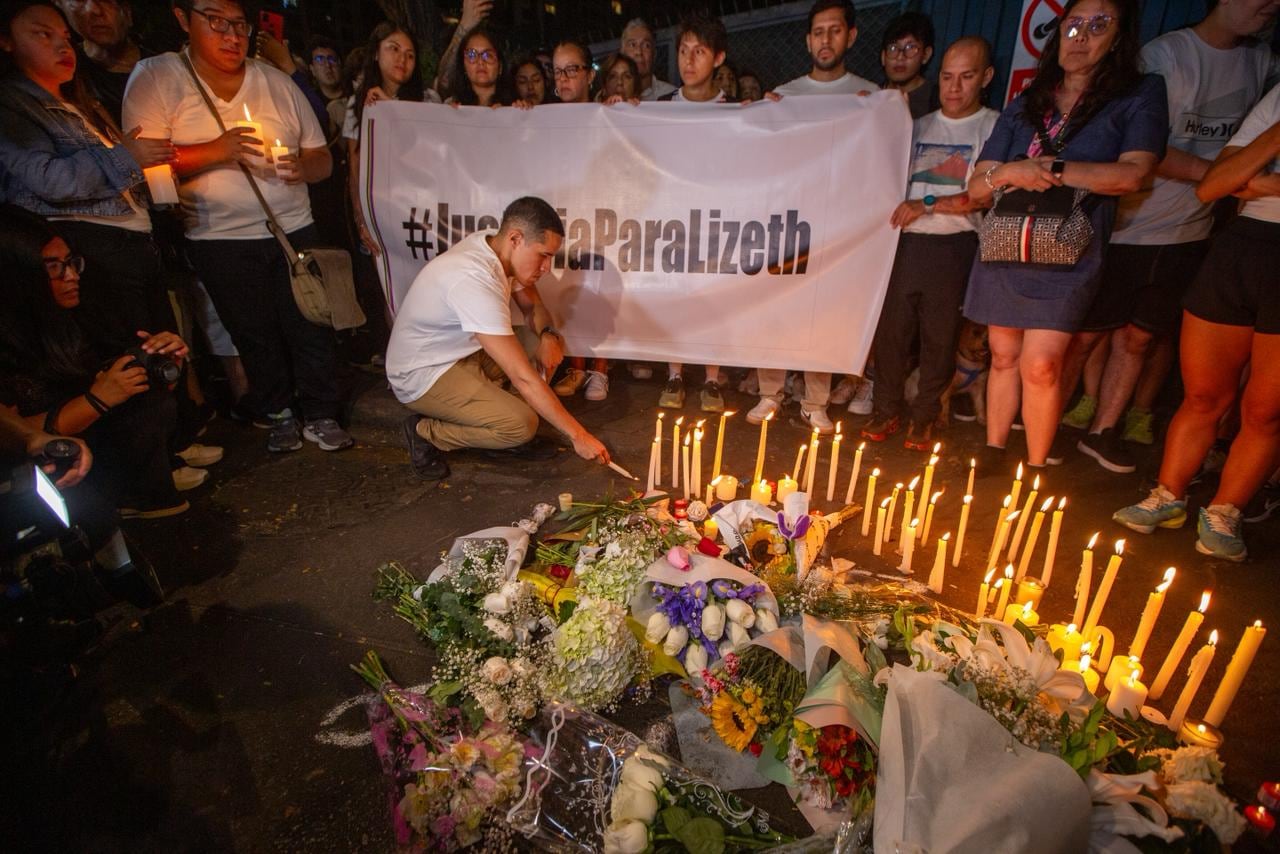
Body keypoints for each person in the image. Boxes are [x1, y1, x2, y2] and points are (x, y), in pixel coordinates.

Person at [123, 0, 351, 454]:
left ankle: (322, 413)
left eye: (239, 25)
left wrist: (301, 166)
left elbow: (322, 157)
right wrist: (216, 151)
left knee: (311, 323)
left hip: (291, 229)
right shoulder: (158, 77)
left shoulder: (277, 83)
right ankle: (278, 412)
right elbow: (137, 161)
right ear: (183, 18)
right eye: (216, 22)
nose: (231, 36)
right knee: (253, 331)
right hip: (219, 238)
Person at [1063, 0, 1280, 474]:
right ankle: (1043, 426)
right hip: (1128, 226)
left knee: (1141, 337)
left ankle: (1103, 431)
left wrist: (1229, 182)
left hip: (1191, 229)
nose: (1271, 5)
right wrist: (1225, 177)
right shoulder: (1165, 57)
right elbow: (1141, 147)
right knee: (1084, 336)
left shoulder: (1262, 62)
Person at [963, 0, 1166, 470]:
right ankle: (993, 450)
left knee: (1043, 362)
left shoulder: (1138, 95)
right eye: (1073, 25)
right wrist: (1013, 171)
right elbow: (978, 186)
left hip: (1068, 249)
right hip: (1008, 243)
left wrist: (1054, 168)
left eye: (1099, 25)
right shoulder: (1025, 104)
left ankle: (1035, 466)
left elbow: (1133, 174)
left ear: (1120, 37)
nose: (1082, 36)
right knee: (1003, 352)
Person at [1113, 84, 1280, 561]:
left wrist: (1259, 182)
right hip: (1242, 247)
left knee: (1266, 409)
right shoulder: (1276, 98)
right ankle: (1168, 496)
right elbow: (1214, 185)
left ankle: (1226, 510)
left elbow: (1238, 181)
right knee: (1204, 394)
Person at [386, 197, 610, 481]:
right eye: (542, 255)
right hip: (424, 372)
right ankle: (427, 433)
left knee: (539, 341)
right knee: (521, 425)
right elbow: (523, 377)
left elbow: (534, 308)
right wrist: (579, 435)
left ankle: (502, 428)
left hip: (461, 352)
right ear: (516, 238)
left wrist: (548, 335)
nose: (546, 268)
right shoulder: (473, 277)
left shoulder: (496, 248)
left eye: (551, 258)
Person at [0, 205, 195, 518]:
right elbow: (11, 434)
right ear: (17, 276)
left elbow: (133, 382)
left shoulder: (79, 313)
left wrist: (164, 362)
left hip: (96, 449)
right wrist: (98, 399)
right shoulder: (9, 341)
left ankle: (143, 492)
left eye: (71, 263)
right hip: (39, 476)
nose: (71, 276)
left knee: (149, 404)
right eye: (54, 268)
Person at [862, 38, 998, 450]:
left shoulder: (992, 126)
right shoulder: (918, 126)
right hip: (904, 245)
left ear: (986, 78)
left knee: (939, 336)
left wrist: (924, 204)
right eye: (947, 77)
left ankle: (925, 418)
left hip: (954, 245)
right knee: (892, 333)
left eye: (967, 77)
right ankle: (886, 410)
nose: (954, 88)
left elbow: (985, 195)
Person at [656, 11, 731, 414]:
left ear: (718, 58)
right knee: (676, 298)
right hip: (672, 222)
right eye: (683, 51)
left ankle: (713, 379)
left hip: (718, 224)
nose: (688, 61)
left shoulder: (736, 110)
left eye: (699, 52)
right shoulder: (660, 108)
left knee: (712, 299)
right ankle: (674, 372)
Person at [345, 22, 431, 258]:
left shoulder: (428, 100)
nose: (402, 59)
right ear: (375, 52)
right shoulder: (359, 103)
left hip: (420, 207)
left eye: (410, 54)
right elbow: (356, 166)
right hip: (380, 209)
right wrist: (361, 220)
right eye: (394, 49)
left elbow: (428, 152)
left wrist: (389, 107)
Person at [54, 0, 149, 125]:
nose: (95, 10)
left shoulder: (167, 60)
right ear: (60, 6)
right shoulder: (63, 78)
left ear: (127, 11)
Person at [773, 0, 877, 97]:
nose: (826, 40)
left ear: (850, 37)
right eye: (818, 33)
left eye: (835, 31)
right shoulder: (784, 96)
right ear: (809, 42)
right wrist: (767, 109)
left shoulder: (872, 94)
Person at [880, 11, 939, 119]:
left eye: (910, 48)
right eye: (893, 48)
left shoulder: (937, 100)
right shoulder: (872, 94)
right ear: (883, 57)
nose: (900, 57)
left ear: (926, 55)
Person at [446, 26, 512, 107]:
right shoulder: (451, 106)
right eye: (472, 55)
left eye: (488, 55)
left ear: (500, 66)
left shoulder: (514, 108)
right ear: (463, 65)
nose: (480, 62)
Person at [620, 17, 675, 101]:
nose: (639, 52)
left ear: (654, 54)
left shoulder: (672, 97)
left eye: (646, 45)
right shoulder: (609, 98)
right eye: (632, 45)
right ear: (622, 53)